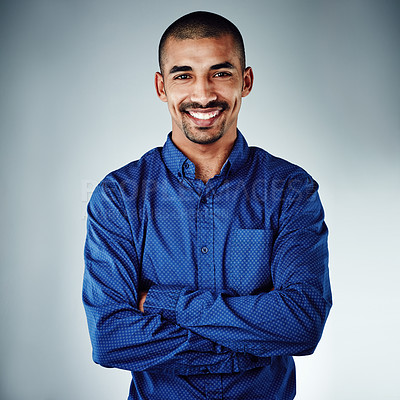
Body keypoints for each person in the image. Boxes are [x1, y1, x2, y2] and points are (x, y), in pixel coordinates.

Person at [83, 11, 332, 400]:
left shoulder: (290, 190)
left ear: (245, 81)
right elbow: (111, 338)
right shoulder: (119, 196)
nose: (202, 95)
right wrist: (247, 338)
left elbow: (301, 324)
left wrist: (166, 302)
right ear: (161, 86)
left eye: (221, 73)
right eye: (183, 75)